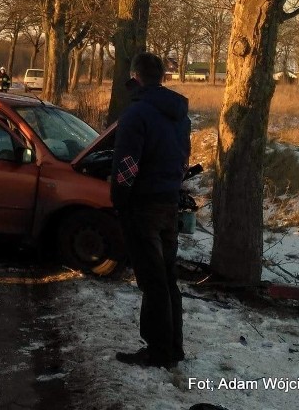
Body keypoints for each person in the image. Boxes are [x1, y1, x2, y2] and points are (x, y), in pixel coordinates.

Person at [112, 52, 191, 369]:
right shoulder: (179, 115)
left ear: (135, 76)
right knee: (168, 277)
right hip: (169, 202)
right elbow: (183, 158)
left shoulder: (136, 114)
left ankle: (157, 351)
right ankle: (174, 346)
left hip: (142, 205)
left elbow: (127, 165)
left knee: (152, 281)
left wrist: (119, 197)